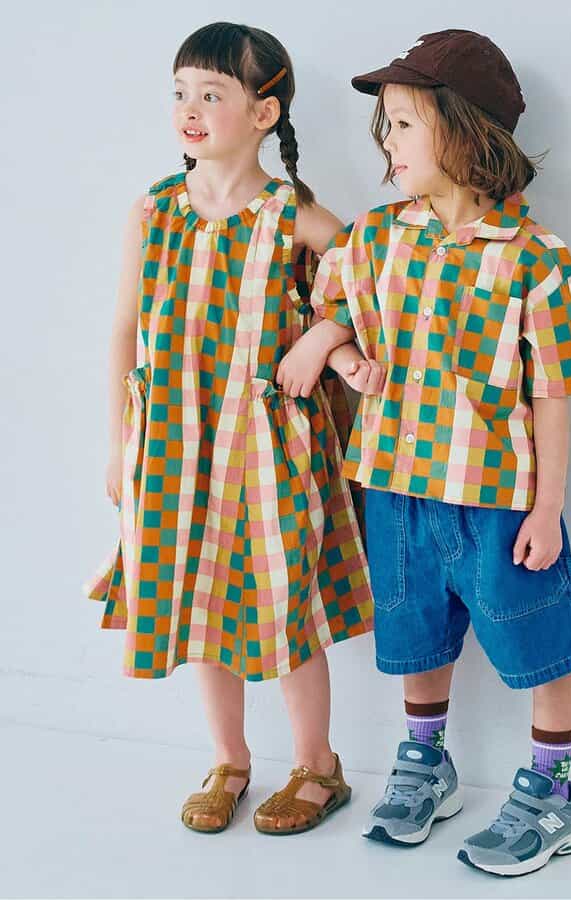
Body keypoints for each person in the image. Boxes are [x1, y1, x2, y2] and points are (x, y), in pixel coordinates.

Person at [282, 29, 571, 876]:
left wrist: (546, 507)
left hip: (496, 497)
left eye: (402, 124)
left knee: (536, 631)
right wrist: (336, 352)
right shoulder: (377, 238)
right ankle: (427, 763)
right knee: (415, 629)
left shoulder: (535, 259)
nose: (385, 144)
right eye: (385, 126)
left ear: (465, 133)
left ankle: (555, 789)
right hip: (395, 485)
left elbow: (554, 390)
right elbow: (335, 306)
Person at [85, 21, 375, 837]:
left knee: (284, 607)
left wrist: (324, 337)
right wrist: (117, 443)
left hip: (268, 445)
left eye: (212, 93)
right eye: (180, 92)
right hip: (172, 440)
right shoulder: (154, 211)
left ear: (262, 112)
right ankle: (230, 759)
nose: (189, 108)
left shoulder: (295, 217)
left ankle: (318, 765)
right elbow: (123, 329)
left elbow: (372, 284)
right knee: (200, 603)